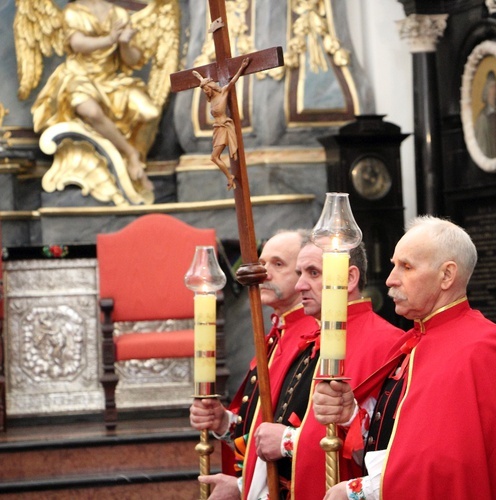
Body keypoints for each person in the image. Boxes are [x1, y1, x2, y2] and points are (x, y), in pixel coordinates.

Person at [313, 215, 496, 499]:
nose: (390, 279)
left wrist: (358, 491)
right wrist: (350, 416)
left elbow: (450, 465)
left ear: (446, 275)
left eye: (406, 267)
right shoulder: (417, 341)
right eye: (394, 265)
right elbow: (398, 439)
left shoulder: (479, 346)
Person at [189, 229, 318, 499]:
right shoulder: (278, 333)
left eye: (278, 264)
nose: (263, 273)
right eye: (262, 263)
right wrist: (224, 422)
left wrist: (242, 488)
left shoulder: (313, 338)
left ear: (306, 273)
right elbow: (260, 429)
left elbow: (303, 437)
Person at [31, 0, 159, 191]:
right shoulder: (72, 12)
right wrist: (110, 39)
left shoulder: (119, 13)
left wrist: (124, 43)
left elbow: (132, 60)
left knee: (150, 113)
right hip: (79, 77)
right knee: (90, 111)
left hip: (110, 81)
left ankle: (137, 163)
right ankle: (130, 153)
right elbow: (78, 44)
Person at [192, 57, 250, 191]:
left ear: (211, 87)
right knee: (214, 157)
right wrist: (199, 77)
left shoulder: (223, 93)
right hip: (217, 129)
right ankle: (230, 177)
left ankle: (230, 177)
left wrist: (242, 67)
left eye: (206, 89)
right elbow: (203, 82)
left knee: (214, 157)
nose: (205, 91)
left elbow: (233, 81)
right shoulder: (211, 99)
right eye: (204, 90)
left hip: (224, 127)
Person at [474, 70, 496, 158]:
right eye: (492, 88)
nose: (494, 91)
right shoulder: (482, 118)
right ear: (487, 92)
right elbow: (481, 148)